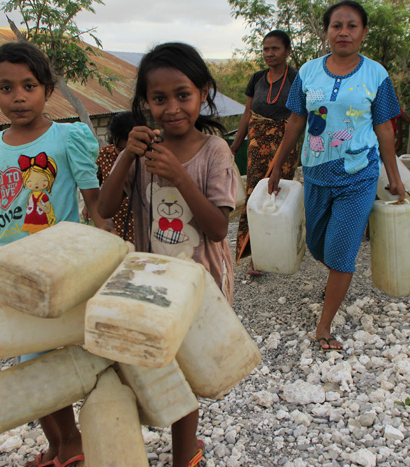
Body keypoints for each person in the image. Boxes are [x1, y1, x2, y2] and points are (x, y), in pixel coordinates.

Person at [0, 41, 105, 467]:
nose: (18, 96)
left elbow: (97, 208)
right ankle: (57, 444)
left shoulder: (68, 139)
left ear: (47, 89)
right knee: (27, 360)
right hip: (12, 280)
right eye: (6, 87)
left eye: (28, 86)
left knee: (48, 363)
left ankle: (73, 444)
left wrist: (117, 258)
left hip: (61, 275)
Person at [98, 42, 237, 467]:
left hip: (200, 284)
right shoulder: (141, 152)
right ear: (146, 103)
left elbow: (216, 228)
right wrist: (126, 155)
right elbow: (104, 208)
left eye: (183, 95)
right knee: (158, 364)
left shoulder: (215, 152)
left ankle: (184, 455)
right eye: (159, 99)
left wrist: (179, 177)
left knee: (189, 369)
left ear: (203, 92)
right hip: (152, 282)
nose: (172, 107)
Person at [267, 0, 405, 351]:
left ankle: (324, 326)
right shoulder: (308, 73)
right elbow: (296, 121)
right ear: (327, 32)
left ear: (363, 32)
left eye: (352, 26)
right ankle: (336, 276)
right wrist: (278, 163)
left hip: (358, 173)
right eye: (337, 26)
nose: (344, 32)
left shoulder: (377, 74)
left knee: (341, 252)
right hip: (314, 171)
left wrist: (394, 175)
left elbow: (384, 128)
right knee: (317, 245)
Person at [231, 30, 301, 275]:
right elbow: (247, 114)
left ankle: (278, 248)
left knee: (275, 195)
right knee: (254, 194)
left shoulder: (297, 79)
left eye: (275, 49)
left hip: (285, 144)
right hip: (256, 145)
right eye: (266, 49)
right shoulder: (257, 78)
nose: (269, 54)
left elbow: (303, 116)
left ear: (287, 51)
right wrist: (235, 146)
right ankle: (255, 255)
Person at [86, 111, 141, 242]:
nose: (123, 154)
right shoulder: (104, 154)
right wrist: (88, 206)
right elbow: (94, 185)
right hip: (112, 222)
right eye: (120, 148)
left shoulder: (145, 158)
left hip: (137, 225)